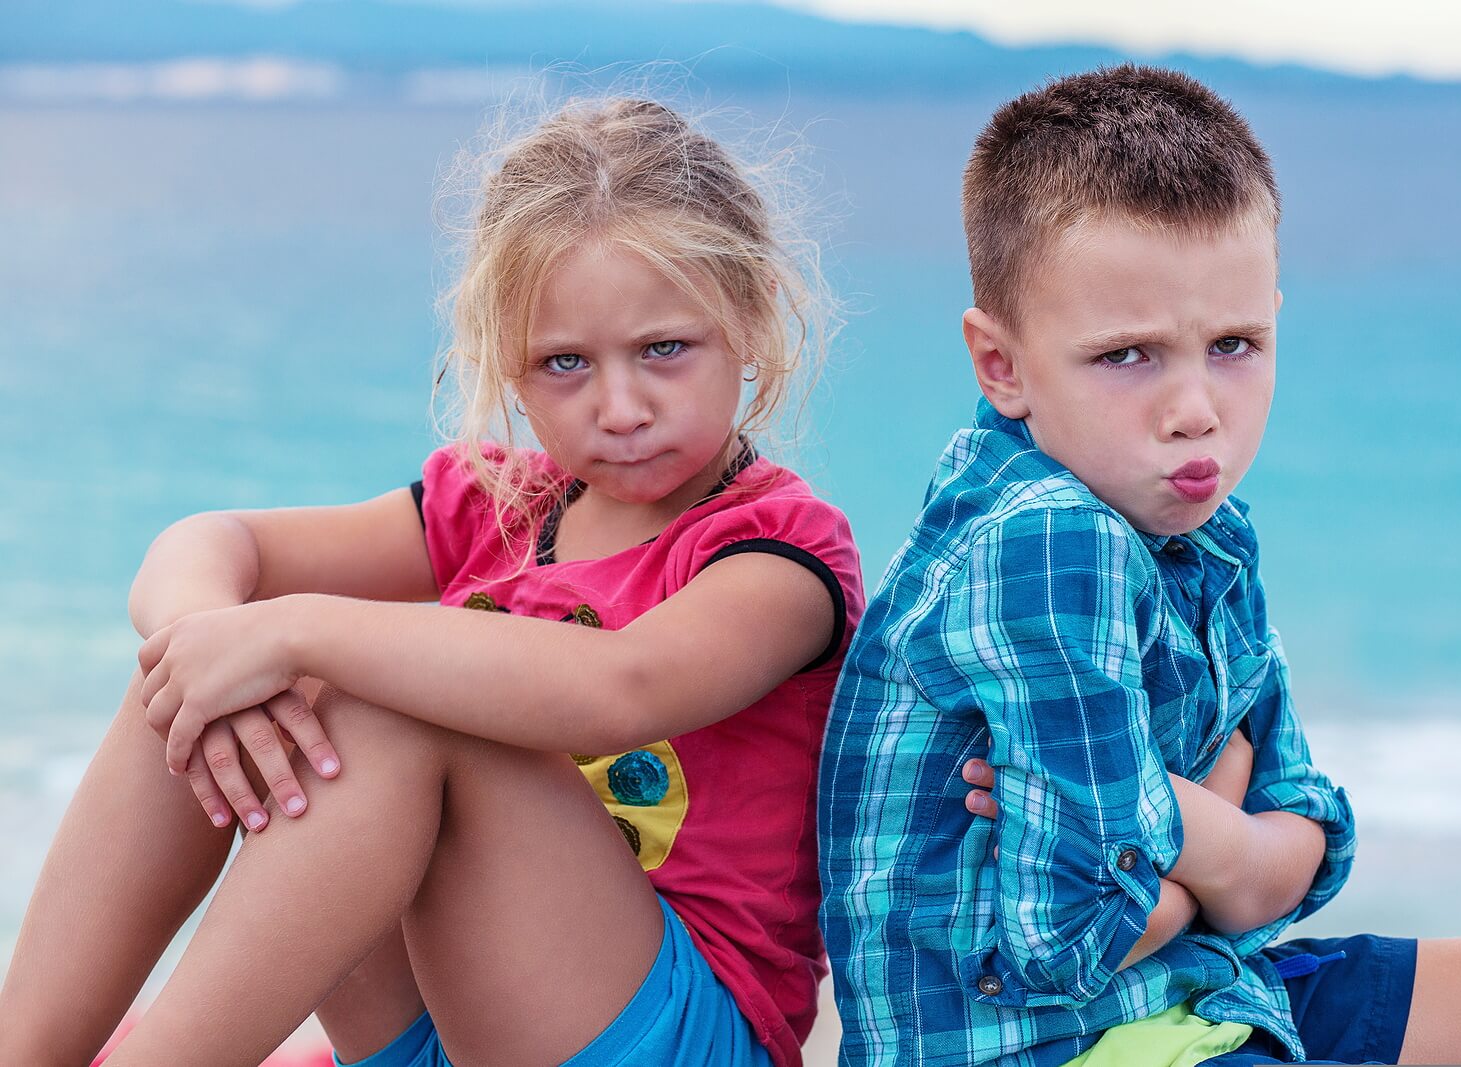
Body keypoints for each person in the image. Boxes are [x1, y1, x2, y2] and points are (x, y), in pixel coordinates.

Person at [0, 96, 863, 1067]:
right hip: (436, 1028)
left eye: (664, 348)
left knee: (396, 706)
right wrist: (219, 646)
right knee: (197, 673)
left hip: (669, 1035)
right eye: (565, 363)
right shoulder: (500, 501)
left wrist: (297, 633)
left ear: (749, 320)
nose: (620, 406)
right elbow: (206, 540)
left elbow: (616, 689)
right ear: (509, 366)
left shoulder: (779, 553)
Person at [817, 65, 1461, 1067]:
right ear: (1000, 364)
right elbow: (1069, 939)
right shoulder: (1050, 539)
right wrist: (1228, 837)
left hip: (1193, 991)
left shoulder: (1205, 523)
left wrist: (1194, 829)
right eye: (1129, 355)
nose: (1196, 407)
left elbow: (1310, 831)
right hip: (1044, 1041)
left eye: (1233, 343)